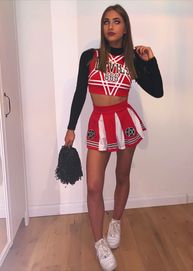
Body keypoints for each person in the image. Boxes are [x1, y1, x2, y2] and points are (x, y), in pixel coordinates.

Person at [64, 4, 163, 271]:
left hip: (124, 121)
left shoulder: (133, 59)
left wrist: (150, 60)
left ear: (125, 27)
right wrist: (71, 127)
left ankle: (116, 221)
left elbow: (157, 91)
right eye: (106, 21)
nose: (110, 26)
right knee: (94, 186)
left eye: (116, 21)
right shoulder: (90, 56)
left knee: (122, 176)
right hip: (99, 122)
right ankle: (99, 243)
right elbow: (79, 94)